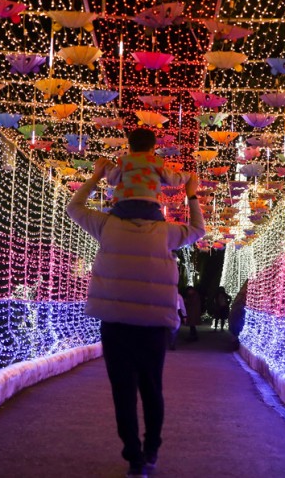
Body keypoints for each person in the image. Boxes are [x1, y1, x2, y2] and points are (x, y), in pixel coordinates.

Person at [66, 157, 205, 477]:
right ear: (155, 199)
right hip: (154, 325)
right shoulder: (166, 232)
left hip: (115, 322)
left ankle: (134, 457)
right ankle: (151, 449)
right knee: (151, 388)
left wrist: (96, 174)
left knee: (123, 391)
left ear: (120, 196)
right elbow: (198, 229)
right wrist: (191, 193)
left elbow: (74, 208)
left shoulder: (106, 224)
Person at [104, 127, 190, 221]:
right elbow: (173, 180)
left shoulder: (125, 162)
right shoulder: (156, 163)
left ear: (130, 148)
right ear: (153, 149)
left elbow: (111, 180)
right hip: (149, 206)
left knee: (111, 219)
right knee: (161, 225)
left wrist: (108, 167)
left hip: (124, 204)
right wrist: (187, 175)